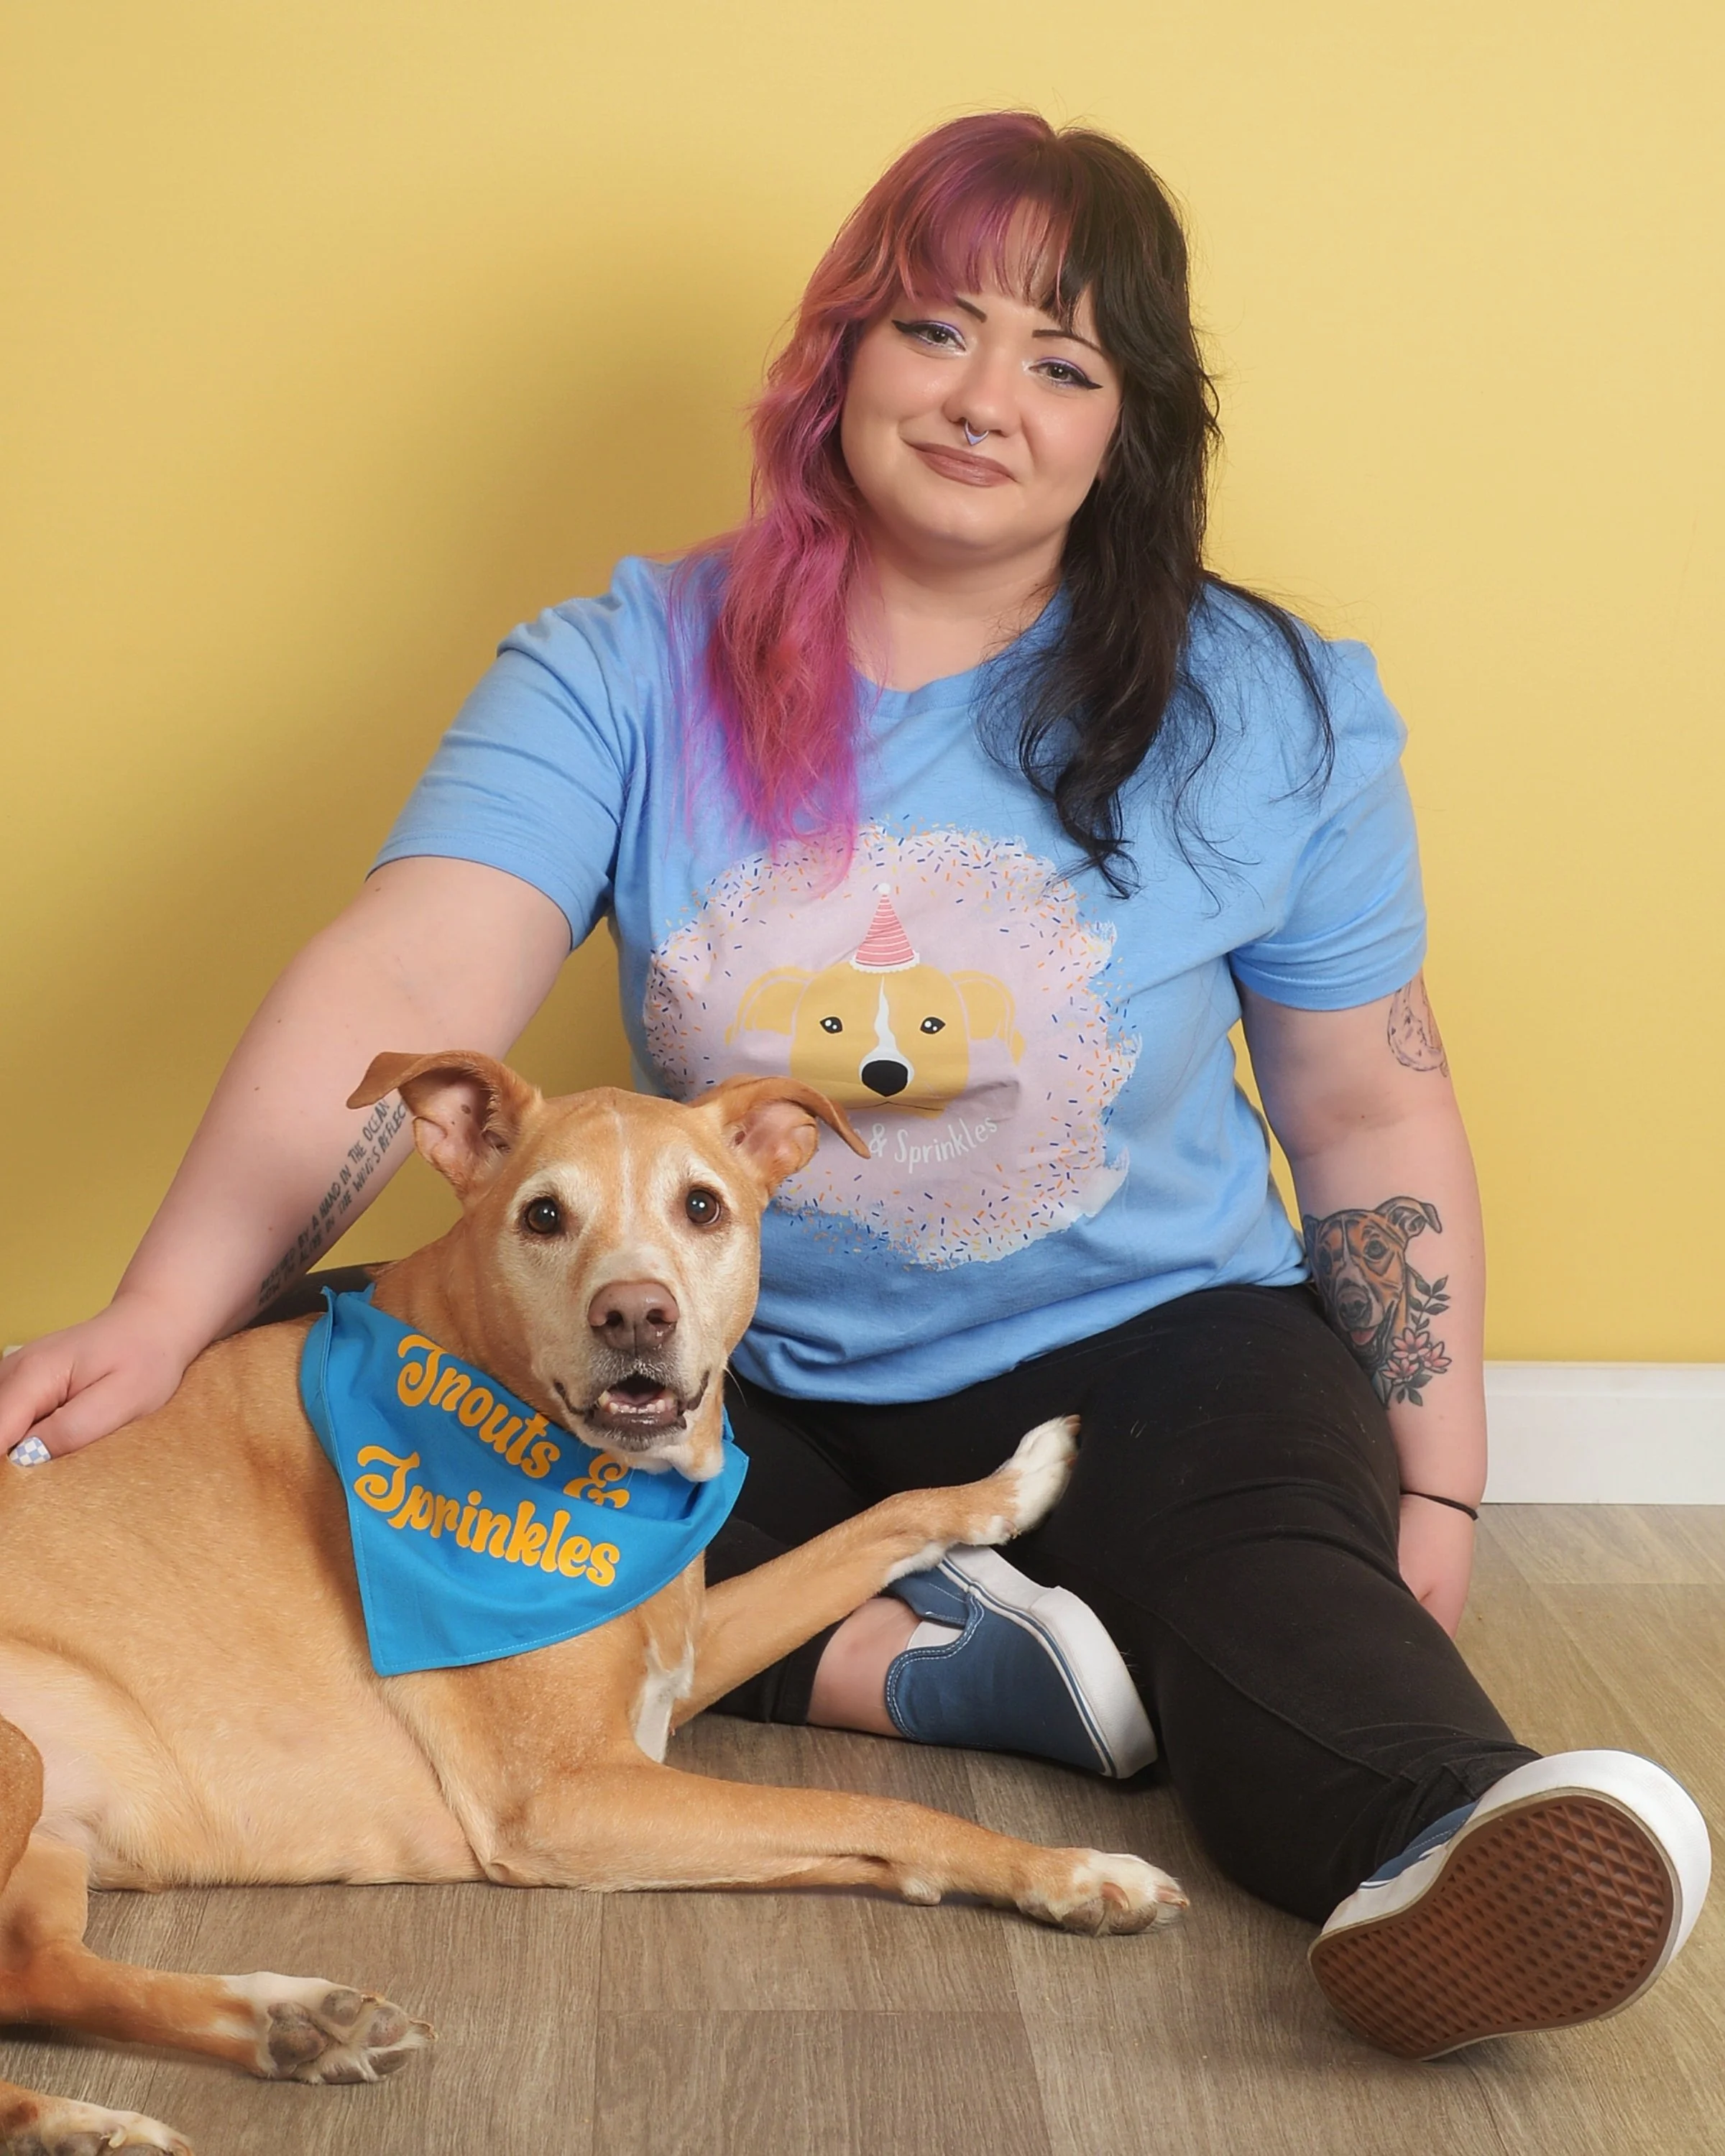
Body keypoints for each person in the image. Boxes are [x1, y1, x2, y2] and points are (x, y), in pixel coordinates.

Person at [1, 112, 1706, 2055]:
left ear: (1128, 426)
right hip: (719, 1367)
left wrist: (1444, 1493)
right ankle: (935, 1664)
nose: (990, 400)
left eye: (1063, 365)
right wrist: (166, 1308)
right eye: (936, 332)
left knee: (1267, 1592)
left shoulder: (1270, 709)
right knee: (368, 1407)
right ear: (837, 362)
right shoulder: (621, 667)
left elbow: (1372, 1119)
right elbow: (403, 981)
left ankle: (1438, 1841)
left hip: (1151, 1344)